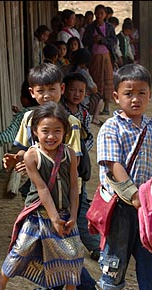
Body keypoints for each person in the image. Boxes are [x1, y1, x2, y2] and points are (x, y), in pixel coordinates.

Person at [3, 63, 100, 290]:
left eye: (52, 89)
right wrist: (17, 160)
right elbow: (25, 150)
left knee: (65, 238)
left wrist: (38, 163)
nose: (46, 95)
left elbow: (71, 160)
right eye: (41, 90)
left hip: (65, 191)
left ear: (62, 89)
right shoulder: (28, 118)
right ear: (32, 92)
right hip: (36, 191)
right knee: (42, 238)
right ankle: (63, 285)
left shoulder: (71, 122)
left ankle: (76, 286)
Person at [0, 102, 84, 290]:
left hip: (65, 212)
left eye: (57, 131)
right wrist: (54, 218)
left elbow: (74, 186)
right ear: (35, 131)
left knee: (74, 253)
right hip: (38, 213)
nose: (51, 136)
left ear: (65, 132)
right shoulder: (32, 155)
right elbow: (42, 189)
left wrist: (73, 215)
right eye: (45, 131)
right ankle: (0, 284)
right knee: (20, 249)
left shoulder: (69, 154)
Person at [95, 63, 152, 290]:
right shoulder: (111, 128)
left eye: (141, 93)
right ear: (116, 96)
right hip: (121, 204)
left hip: (148, 205)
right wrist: (135, 196)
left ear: (149, 94)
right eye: (128, 93)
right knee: (115, 253)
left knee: (150, 254)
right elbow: (114, 167)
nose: (135, 99)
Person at [60, 72, 101, 260]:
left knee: (81, 203)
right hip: (59, 166)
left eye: (81, 91)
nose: (77, 94)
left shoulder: (84, 113)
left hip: (77, 166)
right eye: (72, 90)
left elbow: (88, 138)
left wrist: (80, 153)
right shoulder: (58, 111)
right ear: (63, 90)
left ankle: (94, 246)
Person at [82, 4, 117, 116]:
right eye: (97, 13)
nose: (99, 16)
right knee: (96, 80)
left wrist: (102, 40)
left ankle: (106, 107)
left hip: (106, 56)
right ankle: (95, 107)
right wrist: (93, 40)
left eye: (102, 13)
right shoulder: (90, 27)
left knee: (108, 80)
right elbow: (85, 41)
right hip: (94, 57)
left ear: (105, 15)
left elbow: (113, 41)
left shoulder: (109, 27)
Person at [68, 48, 104, 123]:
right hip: (82, 100)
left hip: (67, 96)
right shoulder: (83, 72)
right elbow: (94, 89)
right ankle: (95, 118)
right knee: (99, 98)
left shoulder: (67, 68)